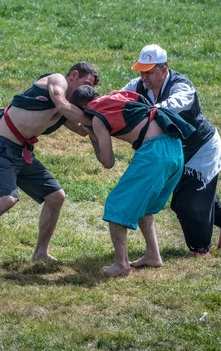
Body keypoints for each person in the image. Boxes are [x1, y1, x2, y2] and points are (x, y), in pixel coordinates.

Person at [0, 62, 100, 269]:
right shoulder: (57, 80)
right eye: (85, 83)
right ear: (74, 75)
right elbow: (61, 105)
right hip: (1, 149)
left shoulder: (68, 109)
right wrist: (90, 118)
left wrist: (101, 115)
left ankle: (41, 253)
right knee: (8, 198)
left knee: (56, 196)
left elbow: (82, 130)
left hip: (22, 153)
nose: (84, 91)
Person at [121, 44, 221, 257]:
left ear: (163, 70)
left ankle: (200, 251)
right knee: (191, 194)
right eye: (141, 70)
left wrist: (150, 110)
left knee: (186, 203)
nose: (143, 76)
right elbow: (120, 100)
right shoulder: (137, 85)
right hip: (173, 150)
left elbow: (174, 104)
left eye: (148, 71)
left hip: (201, 148)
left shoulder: (182, 86)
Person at [70, 85, 194, 276]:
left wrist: (92, 133)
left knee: (116, 205)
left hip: (154, 152)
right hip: (175, 147)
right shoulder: (118, 97)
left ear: (82, 108)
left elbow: (107, 162)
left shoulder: (96, 116)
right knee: (145, 207)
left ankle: (121, 264)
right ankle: (153, 255)